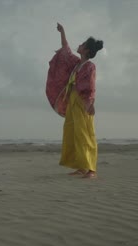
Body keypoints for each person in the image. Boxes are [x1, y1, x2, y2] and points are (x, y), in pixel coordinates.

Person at [46, 23, 103, 179]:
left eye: (82, 44)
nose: (79, 45)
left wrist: (89, 103)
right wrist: (62, 32)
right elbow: (66, 50)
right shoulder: (77, 64)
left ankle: (91, 170)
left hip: (83, 102)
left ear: (86, 50)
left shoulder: (89, 66)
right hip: (72, 101)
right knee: (72, 133)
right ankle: (81, 167)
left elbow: (90, 86)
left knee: (85, 134)